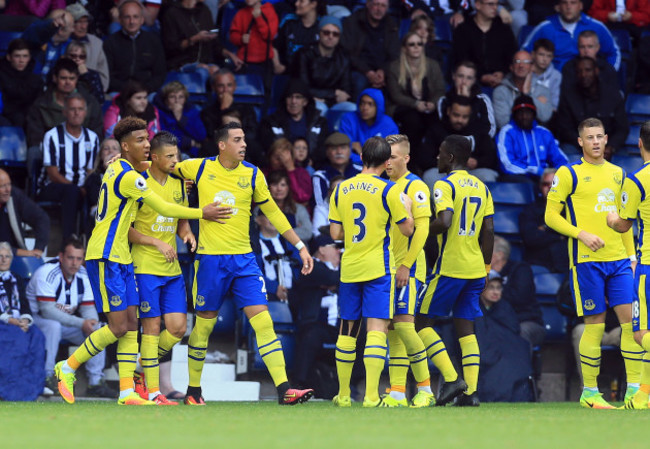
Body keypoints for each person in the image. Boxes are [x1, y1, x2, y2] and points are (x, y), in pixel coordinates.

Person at [52, 116, 228, 406]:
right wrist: (201, 213)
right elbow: (162, 206)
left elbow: (148, 167)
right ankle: (68, 367)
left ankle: (126, 392)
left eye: (148, 139)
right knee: (120, 326)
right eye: (140, 141)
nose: (147, 145)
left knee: (132, 324)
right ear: (124, 145)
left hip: (122, 257)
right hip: (105, 255)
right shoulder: (129, 177)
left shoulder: (123, 167)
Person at [173, 122, 315, 405]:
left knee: (264, 322)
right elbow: (161, 169)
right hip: (210, 261)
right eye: (237, 140)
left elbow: (273, 212)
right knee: (203, 328)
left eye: (244, 139)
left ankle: (284, 389)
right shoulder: (197, 168)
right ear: (222, 144)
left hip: (244, 261)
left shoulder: (252, 174)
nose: (244, 144)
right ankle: (193, 391)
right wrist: (130, 162)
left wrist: (299, 246)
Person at [545, 117, 643, 409]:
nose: (596, 142)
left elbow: (625, 221)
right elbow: (550, 216)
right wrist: (581, 234)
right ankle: (590, 393)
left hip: (619, 261)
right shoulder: (568, 174)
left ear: (606, 138)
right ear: (580, 142)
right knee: (595, 325)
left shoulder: (619, 174)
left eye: (600, 136)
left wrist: (632, 256)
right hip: (587, 261)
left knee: (631, 325)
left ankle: (636, 392)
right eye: (590, 138)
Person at [329, 136, 415, 407]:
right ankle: (370, 396)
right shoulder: (389, 191)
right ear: (387, 161)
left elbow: (335, 233)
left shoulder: (342, 188)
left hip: (350, 268)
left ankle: (343, 395)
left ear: (362, 157)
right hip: (379, 268)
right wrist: (408, 209)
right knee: (377, 330)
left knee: (347, 330)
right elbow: (408, 230)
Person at [383, 134, 462, 407]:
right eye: (385, 156)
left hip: (410, 268)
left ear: (406, 158)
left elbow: (424, 228)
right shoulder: (384, 185)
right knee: (393, 329)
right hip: (387, 267)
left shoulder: (415, 186)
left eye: (392, 156)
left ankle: (426, 390)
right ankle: (396, 393)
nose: (387, 161)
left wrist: (406, 264)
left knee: (406, 328)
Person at [417, 134, 495, 407]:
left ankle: (452, 378)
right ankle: (470, 393)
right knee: (466, 328)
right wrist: (486, 267)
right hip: (475, 269)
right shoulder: (482, 187)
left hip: (450, 267)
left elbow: (445, 220)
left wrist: (420, 227)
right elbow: (488, 231)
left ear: (450, 157)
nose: (436, 157)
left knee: (420, 323)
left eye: (440, 152)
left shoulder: (444, 184)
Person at [127, 131, 196, 406]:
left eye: (176, 156)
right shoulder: (139, 183)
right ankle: (154, 392)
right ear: (154, 157)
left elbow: (180, 218)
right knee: (152, 328)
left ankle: (145, 363)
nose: (175, 161)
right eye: (169, 156)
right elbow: (127, 230)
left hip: (171, 268)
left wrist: (187, 233)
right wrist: (155, 242)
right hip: (145, 266)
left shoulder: (180, 184)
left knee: (178, 328)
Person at [28, 236, 115, 399]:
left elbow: (88, 308)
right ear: (61, 257)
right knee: (52, 325)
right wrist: (82, 323)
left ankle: (95, 382)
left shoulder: (83, 275)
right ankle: (48, 377)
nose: (74, 263)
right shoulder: (46, 273)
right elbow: (47, 311)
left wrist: (91, 323)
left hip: (65, 323)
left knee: (98, 330)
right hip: (37, 322)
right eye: (70, 258)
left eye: (78, 259)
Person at [607, 120, 650, 409]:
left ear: (639, 143)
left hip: (648, 265)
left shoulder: (637, 180)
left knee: (640, 333)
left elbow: (623, 224)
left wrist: (611, 216)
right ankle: (643, 395)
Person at [38, 93, 100, 241]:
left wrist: (85, 187)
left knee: (97, 181)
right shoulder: (52, 136)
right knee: (72, 191)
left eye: (80, 109)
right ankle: (69, 241)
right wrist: (78, 189)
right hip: (53, 187)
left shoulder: (92, 138)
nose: (77, 113)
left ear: (85, 112)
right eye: (72, 109)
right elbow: (52, 173)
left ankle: (94, 233)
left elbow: (90, 171)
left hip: (81, 187)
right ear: (64, 112)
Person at [289, 234, 341, 397]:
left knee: (362, 334)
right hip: (315, 323)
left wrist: (335, 283)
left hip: (339, 326)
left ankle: (353, 386)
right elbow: (327, 276)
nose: (339, 252)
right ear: (322, 249)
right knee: (312, 335)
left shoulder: (339, 270)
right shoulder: (310, 266)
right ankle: (298, 385)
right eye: (335, 247)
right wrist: (336, 281)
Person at [475, 271, 534, 402]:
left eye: (498, 288)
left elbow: (513, 331)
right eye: (491, 287)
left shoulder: (505, 307)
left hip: (508, 350)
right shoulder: (473, 308)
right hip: (485, 353)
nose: (495, 292)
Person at [556, 57, 629, 158]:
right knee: (566, 155)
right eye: (579, 71)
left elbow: (622, 129)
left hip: (607, 146)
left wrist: (611, 147)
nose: (583, 75)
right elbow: (566, 130)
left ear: (596, 71)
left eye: (588, 70)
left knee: (624, 164)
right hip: (578, 145)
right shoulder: (569, 96)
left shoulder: (612, 95)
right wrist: (586, 145)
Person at [0, 241, 46, 402]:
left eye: (7, 256)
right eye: (0, 256)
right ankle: (10, 389)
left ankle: (34, 386)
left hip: (18, 322)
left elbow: (24, 304)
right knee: (16, 338)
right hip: (2, 323)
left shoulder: (17, 278)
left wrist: (25, 320)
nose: (4, 260)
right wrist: (10, 320)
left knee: (37, 336)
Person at [26, 57, 103, 149]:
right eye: (63, 78)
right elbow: (35, 137)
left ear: (77, 79)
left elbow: (97, 134)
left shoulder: (90, 103)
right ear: (55, 78)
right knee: (34, 152)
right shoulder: (41, 104)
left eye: (72, 78)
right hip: (50, 151)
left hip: (83, 150)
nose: (68, 82)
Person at [522, 0, 621, 71]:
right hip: (553, 83)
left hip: (586, 80)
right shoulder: (545, 27)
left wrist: (607, 75)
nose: (568, 7)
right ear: (558, 7)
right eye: (564, 2)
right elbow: (524, 53)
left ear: (580, 6)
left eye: (573, 3)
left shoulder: (596, 26)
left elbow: (614, 52)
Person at [423, 95, 499, 187]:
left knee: (488, 176)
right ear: (448, 111)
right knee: (430, 176)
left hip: (470, 173)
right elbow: (424, 159)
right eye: (456, 115)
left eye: (464, 117)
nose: (460, 120)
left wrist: (477, 162)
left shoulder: (479, 129)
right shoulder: (437, 129)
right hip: (444, 172)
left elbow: (491, 158)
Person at [386, 32, 445, 150]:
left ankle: (432, 158)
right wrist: (415, 104)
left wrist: (433, 103)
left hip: (428, 106)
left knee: (436, 120)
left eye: (420, 44)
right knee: (413, 120)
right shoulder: (394, 67)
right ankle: (410, 159)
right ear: (404, 48)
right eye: (412, 44)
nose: (416, 47)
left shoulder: (432, 65)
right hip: (402, 107)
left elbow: (440, 90)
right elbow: (396, 95)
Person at [490, 236, 546, 348]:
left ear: (499, 255)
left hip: (525, 321)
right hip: (494, 321)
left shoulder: (521, 270)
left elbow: (520, 298)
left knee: (520, 333)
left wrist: (493, 290)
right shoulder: (482, 273)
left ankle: (520, 366)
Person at [496, 95, 568, 181]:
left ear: (534, 114)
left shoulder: (543, 132)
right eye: (520, 113)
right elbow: (506, 164)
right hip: (518, 177)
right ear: (514, 115)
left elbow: (560, 159)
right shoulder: (507, 132)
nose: (524, 117)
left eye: (528, 113)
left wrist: (558, 173)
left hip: (544, 177)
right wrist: (534, 171)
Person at [103, 0, 166, 93]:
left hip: (146, 92)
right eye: (127, 17)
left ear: (142, 20)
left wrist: (145, 89)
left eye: (135, 17)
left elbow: (159, 75)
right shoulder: (110, 43)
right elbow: (108, 76)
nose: (132, 21)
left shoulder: (153, 41)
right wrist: (128, 90)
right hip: (119, 91)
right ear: (120, 20)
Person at [160, 0, 241, 73]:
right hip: (181, 64)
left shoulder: (204, 10)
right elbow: (170, 47)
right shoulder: (171, 13)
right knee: (203, 71)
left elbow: (215, 45)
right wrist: (195, 39)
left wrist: (230, 54)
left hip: (206, 63)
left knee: (220, 74)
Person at [340, 0, 400, 98]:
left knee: (395, 82)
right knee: (360, 82)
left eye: (383, 6)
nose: (379, 9)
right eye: (376, 4)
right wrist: (368, 72)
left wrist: (382, 71)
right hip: (358, 69)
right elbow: (348, 52)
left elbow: (394, 54)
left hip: (383, 70)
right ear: (368, 4)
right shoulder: (352, 22)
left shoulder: (391, 25)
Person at [451, 0, 517, 89]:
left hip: (502, 82)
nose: (495, 8)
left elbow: (512, 56)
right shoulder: (463, 29)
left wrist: (502, 72)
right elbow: (461, 59)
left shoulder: (504, 29)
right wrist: (481, 76)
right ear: (478, 5)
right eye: (490, 4)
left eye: (496, 4)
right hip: (470, 82)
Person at [294, 15, 353, 113]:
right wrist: (333, 93)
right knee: (320, 108)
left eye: (335, 34)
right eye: (326, 33)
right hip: (310, 100)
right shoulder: (305, 54)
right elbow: (303, 87)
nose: (330, 37)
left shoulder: (344, 57)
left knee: (351, 108)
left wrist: (326, 98)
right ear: (319, 34)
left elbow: (345, 91)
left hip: (333, 102)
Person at [200, 68, 261, 163]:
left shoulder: (246, 109)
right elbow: (213, 136)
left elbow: (252, 135)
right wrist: (224, 109)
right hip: (219, 154)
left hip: (245, 153)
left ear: (235, 86)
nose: (225, 90)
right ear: (213, 87)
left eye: (229, 85)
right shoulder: (207, 112)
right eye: (221, 86)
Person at [258, 79, 328, 159]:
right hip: (281, 166)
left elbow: (322, 149)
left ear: (305, 102)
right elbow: (267, 148)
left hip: (311, 166)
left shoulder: (319, 123)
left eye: (298, 97)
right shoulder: (270, 122)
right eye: (289, 97)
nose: (293, 101)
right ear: (285, 100)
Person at [519, 168, 570, 273]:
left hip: (567, 262)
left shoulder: (572, 210)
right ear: (540, 187)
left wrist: (545, 228)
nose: (550, 187)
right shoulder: (530, 210)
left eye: (554, 184)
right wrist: (560, 236)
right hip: (539, 262)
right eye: (546, 184)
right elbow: (530, 238)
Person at [492, 50, 553, 129]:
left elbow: (545, 117)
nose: (521, 65)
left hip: (536, 138)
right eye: (517, 61)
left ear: (532, 67)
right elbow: (503, 123)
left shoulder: (542, 90)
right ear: (511, 67)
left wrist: (527, 94)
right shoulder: (500, 91)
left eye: (526, 62)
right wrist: (534, 103)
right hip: (512, 138)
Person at [438, 61, 496, 139]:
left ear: (474, 80)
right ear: (453, 76)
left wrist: (468, 102)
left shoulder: (483, 99)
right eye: (460, 76)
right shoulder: (443, 100)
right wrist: (460, 100)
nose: (464, 82)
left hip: (477, 145)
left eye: (469, 78)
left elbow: (490, 131)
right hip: (451, 145)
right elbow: (444, 129)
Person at [253, 207, 300, 303]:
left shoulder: (289, 241)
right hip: (267, 295)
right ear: (258, 220)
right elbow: (253, 273)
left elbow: (300, 264)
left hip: (294, 292)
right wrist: (274, 288)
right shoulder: (253, 245)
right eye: (268, 216)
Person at [339, 88, 399, 163]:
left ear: (378, 107)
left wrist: (362, 155)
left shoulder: (389, 125)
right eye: (362, 103)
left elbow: (390, 155)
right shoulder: (348, 119)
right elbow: (342, 150)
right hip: (351, 165)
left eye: (370, 104)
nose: (365, 108)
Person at [0, 169, 49, 258]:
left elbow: (41, 218)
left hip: (15, 257)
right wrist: (21, 252)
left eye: (9, 184)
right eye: (3, 186)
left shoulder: (14, 196)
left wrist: (38, 248)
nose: (8, 190)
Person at [153, 81, 207, 158]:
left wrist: (181, 119)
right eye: (172, 97)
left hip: (191, 153)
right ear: (165, 99)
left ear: (185, 99)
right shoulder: (159, 113)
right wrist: (188, 142)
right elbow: (162, 138)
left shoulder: (192, 111)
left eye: (181, 97)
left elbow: (201, 135)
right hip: (168, 153)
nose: (177, 101)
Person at [312, 132, 361, 211]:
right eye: (334, 148)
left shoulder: (361, 171)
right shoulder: (320, 176)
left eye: (343, 148)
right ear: (327, 152)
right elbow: (320, 207)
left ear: (350, 150)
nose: (339, 152)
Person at [66, 3, 110, 93]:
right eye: (78, 22)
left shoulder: (97, 44)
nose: (83, 26)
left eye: (85, 21)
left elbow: (104, 80)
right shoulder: (61, 42)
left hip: (91, 94)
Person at [20, 9, 74, 80]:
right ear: (61, 30)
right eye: (71, 26)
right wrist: (51, 26)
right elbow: (34, 32)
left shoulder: (70, 47)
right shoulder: (35, 39)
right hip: (27, 83)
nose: (73, 30)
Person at [0, 38, 43, 128]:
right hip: (5, 119)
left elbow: (38, 103)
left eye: (25, 56)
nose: (21, 60)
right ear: (9, 57)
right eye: (17, 56)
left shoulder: (35, 77)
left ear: (29, 58)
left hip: (29, 118)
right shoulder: (1, 75)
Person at [274, 0, 325, 74]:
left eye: (301, 1)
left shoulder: (324, 26)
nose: (296, 4)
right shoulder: (288, 22)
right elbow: (275, 47)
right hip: (289, 75)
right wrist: (277, 65)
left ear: (313, 4)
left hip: (315, 77)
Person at [560, 30, 619, 94]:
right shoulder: (569, 68)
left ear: (597, 47)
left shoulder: (608, 70)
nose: (586, 51)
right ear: (578, 48)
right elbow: (567, 95)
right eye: (582, 47)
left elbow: (611, 97)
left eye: (590, 46)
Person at [229, 0, 279, 74]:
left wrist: (259, 18)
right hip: (245, 61)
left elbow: (270, 36)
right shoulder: (240, 13)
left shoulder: (269, 11)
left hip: (265, 62)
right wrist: (241, 38)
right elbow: (232, 36)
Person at [267, 170, 312, 242]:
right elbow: (256, 234)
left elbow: (307, 232)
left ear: (288, 188)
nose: (279, 189)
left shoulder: (299, 209)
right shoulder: (260, 209)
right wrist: (294, 231)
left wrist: (274, 232)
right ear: (269, 188)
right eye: (275, 184)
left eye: (283, 185)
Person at [265, 138, 312, 206]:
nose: (282, 162)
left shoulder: (302, 173)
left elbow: (302, 198)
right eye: (278, 158)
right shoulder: (263, 174)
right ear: (270, 157)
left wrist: (290, 169)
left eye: (286, 158)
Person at [84, 138, 120, 225]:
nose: (111, 151)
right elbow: (96, 199)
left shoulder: (130, 174)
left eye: (115, 149)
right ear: (100, 155)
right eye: (106, 149)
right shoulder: (93, 177)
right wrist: (108, 171)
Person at [530, 38, 562, 111]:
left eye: (549, 56)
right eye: (541, 54)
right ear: (533, 54)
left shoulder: (556, 76)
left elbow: (555, 104)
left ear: (552, 57)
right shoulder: (526, 72)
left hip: (548, 115)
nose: (545, 59)